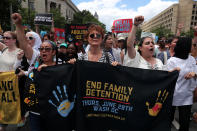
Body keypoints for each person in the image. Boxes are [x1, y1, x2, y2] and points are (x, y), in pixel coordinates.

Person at [12, 13, 58, 131]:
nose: (43, 51)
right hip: (35, 111)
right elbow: (23, 43)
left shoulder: (61, 65)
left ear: (53, 52)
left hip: (52, 110)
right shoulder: (35, 57)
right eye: (41, 48)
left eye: (47, 49)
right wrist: (18, 24)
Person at [167, 37, 197, 131]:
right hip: (173, 95)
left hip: (187, 95)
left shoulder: (191, 59)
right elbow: (167, 78)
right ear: (186, 46)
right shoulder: (172, 61)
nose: (194, 46)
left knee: (185, 123)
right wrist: (173, 72)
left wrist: (194, 74)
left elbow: (195, 73)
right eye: (193, 44)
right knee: (168, 120)